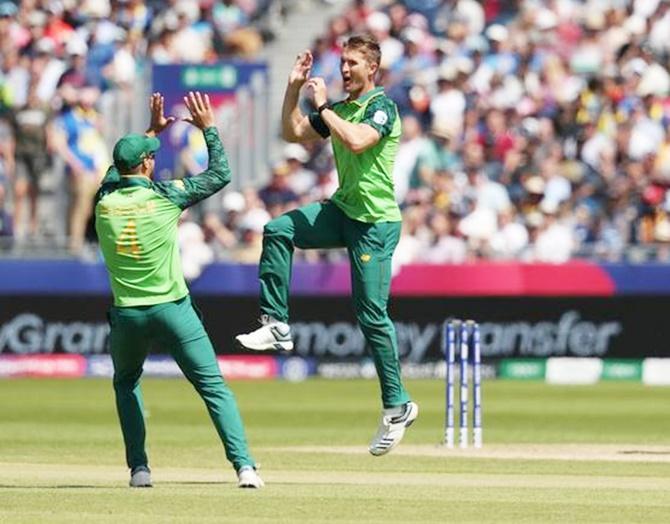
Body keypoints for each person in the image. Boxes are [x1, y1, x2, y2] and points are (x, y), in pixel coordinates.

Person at [235, 34, 418, 456]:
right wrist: (293, 89)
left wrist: (320, 107)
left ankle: (398, 405)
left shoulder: (382, 107)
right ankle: (276, 324)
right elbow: (292, 132)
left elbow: (357, 141)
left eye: (353, 62)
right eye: (343, 61)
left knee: (370, 314)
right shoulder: (338, 108)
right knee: (278, 229)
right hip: (343, 210)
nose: (345, 69)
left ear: (372, 68)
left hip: (375, 223)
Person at [94, 91, 263, 489]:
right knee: (213, 388)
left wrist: (150, 131)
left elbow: (113, 171)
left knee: (126, 384)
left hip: (128, 314)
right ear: (147, 164)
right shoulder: (165, 197)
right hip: (173, 309)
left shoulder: (103, 201)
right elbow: (220, 174)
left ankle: (139, 470)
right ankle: (245, 468)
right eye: (150, 153)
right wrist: (209, 130)